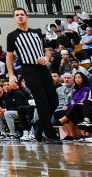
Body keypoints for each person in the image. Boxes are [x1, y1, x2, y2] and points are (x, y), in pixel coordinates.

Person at [6, 7, 60, 143]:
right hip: (28, 69)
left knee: (54, 101)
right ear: (14, 19)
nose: (20, 17)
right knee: (42, 102)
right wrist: (11, 75)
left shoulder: (37, 32)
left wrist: (47, 58)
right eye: (17, 15)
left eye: (22, 14)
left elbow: (47, 51)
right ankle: (51, 135)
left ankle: (39, 127)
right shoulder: (12, 36)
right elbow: (10, 57)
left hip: (43, 68)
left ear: (27, 17)